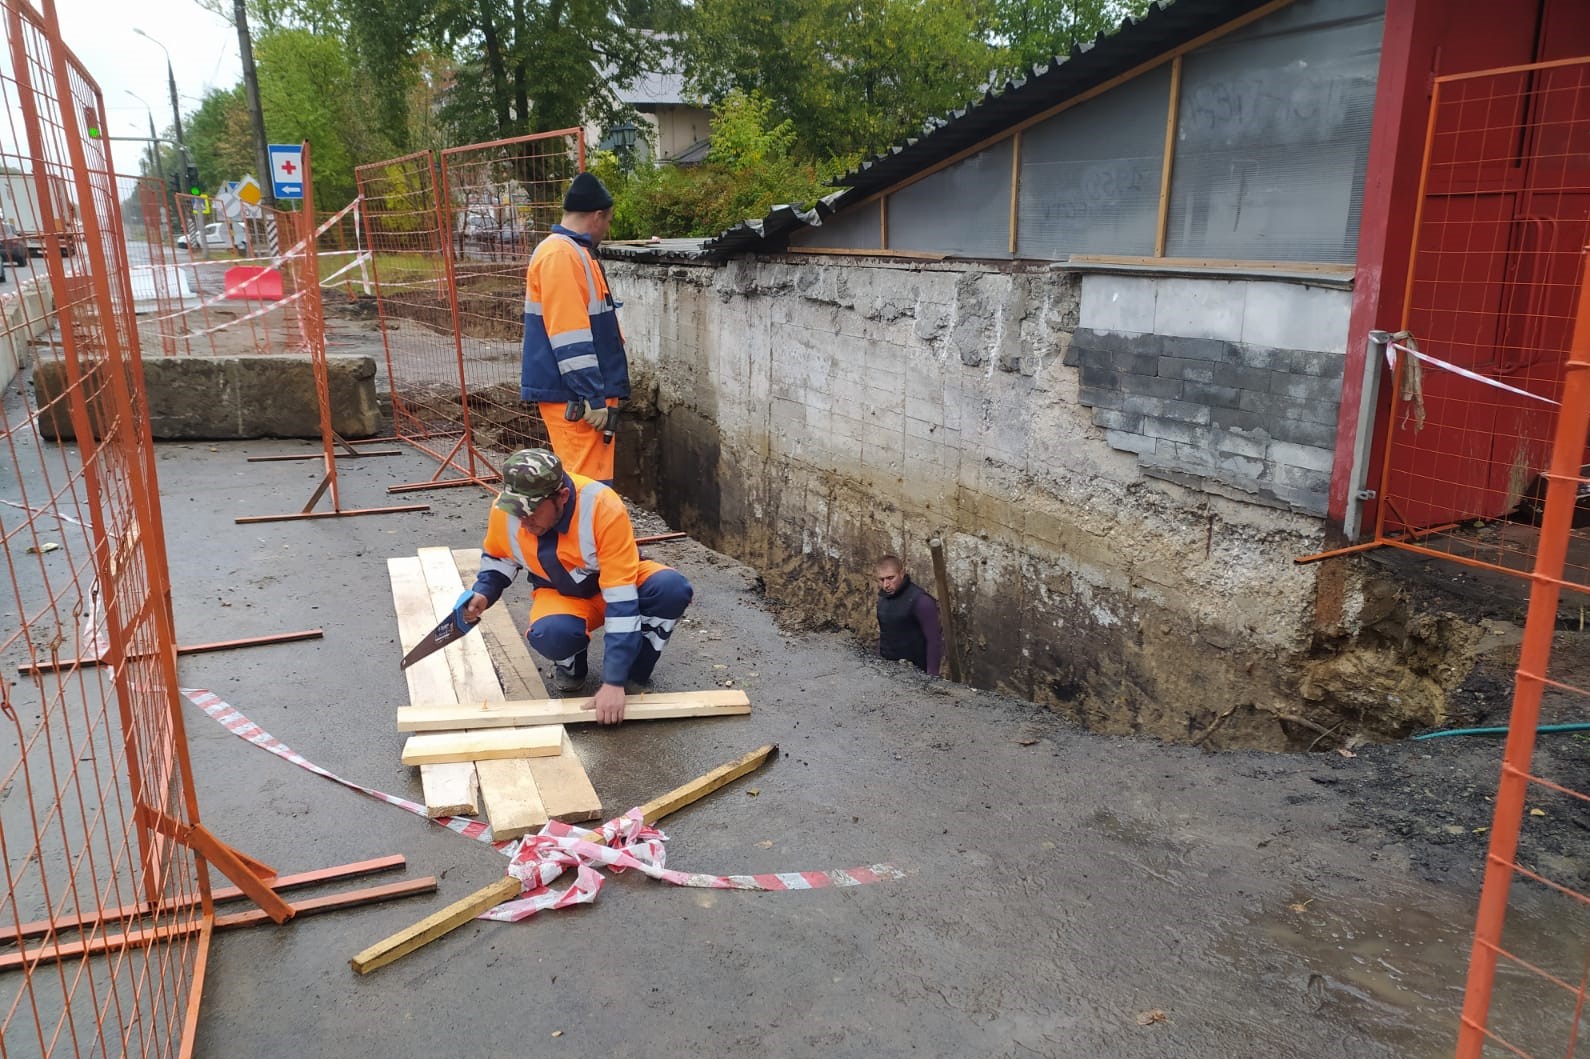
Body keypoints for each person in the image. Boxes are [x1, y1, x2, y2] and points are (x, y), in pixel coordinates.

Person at [458, 449, 693, 724]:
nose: (524, 521)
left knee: (671, 588)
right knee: (551, 634)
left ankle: (633, 672)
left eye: (532, 511)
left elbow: (621, 598)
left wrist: (614, 681)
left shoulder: (602, 506)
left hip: (617, 583)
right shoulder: (507, 509)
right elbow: (500, 557)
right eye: (518, 511)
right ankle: (572, 661)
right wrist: (484, 592)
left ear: (562, 497)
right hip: (559, 592)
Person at [520, 171, 628, 484]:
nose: (607, 229)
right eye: (608, 221)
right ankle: (583, 535)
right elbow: (570, 338)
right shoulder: (561, 255)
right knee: (586, 487)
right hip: (578, 399)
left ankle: (588, 534)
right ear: (597, 216)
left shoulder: (575, 253)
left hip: (581, 396)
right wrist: (593, 398)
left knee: (590, 486)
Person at [875, 555, 942, 677]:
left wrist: (932, 677)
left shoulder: (922, 601)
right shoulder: (883, 598)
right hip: (886, 669)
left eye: (890, 578)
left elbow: (934, 641)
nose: (886, 585)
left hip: (914, 673)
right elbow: (885, 633)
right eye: (881, 579)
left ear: (902, 573)